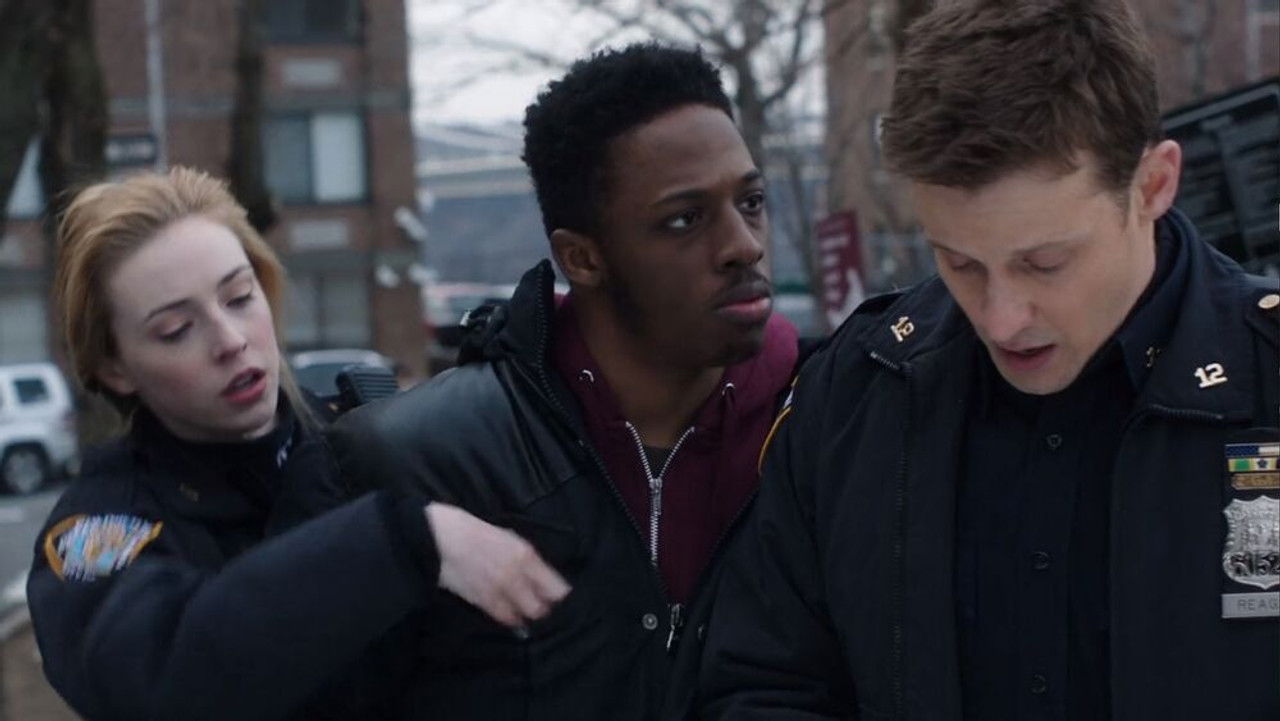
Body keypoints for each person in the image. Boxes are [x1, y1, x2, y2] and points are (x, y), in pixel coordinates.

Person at [699, 1, 1279, 720]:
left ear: (1153, 185)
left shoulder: (1265, 375)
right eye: (959, 262)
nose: (1000, 318)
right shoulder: (858, 392)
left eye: (1045, 263)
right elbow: (763, 681)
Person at [327, 43, 798, 721]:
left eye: (750, 201)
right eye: (684, 219)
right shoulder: (416, 461)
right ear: (582, 257)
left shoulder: (829, 428)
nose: (744, 245)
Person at [26, 167, 567, 721]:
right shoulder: (103, 525)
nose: (231, 340)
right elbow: (161, 678)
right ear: (114, 367)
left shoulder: (371, 436)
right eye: (176, 330)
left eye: (240, 297)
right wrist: (400, 543)